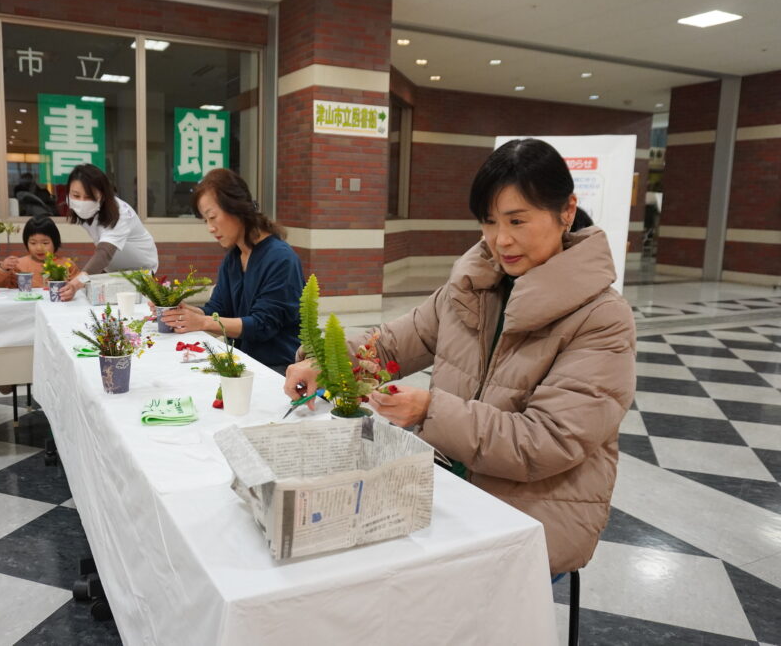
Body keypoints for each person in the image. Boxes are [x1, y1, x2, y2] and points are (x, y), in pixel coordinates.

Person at [284, 138, 636, 575]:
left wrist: (431, 410)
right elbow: (392, 345)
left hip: (535, 511)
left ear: (566, 211)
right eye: (488, 222)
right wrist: (330, 358)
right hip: (445, 484)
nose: (501, 240)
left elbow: (546, 442)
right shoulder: (472, 287)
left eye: (517, 221)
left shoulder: (602, 318)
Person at [161, 168, 304, 374]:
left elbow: (262, 325)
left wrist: (201, 322)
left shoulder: (281, 258)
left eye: (212, 217)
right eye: (205, 221)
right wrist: (185, 311)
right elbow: (218, 310)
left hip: (278, 370)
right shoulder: (234, 258)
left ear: (237, 209)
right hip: (243, 362)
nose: (210, 228)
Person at [58, 164, 158, 301]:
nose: (81, 201)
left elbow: (104, 253)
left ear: (103, 194)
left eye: (89, 197)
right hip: (113, 271)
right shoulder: (87, 212)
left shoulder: (121, 214)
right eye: (76, 195)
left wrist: (78, 282)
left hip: (141, 273)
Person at [0, 216, 73, 289]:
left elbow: (79, 286)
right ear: (26, 243)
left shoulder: (67, 264)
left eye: (45, 243)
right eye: (33, 243)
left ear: (55, 242)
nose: (39, 248)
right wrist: (3, 268)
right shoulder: (18, 265)